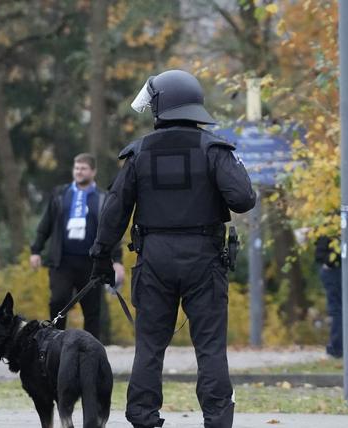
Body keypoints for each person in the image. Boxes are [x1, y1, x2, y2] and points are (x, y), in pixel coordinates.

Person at [89, 69, 256, 428]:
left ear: (162, 106)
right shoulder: (213, 149)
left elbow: (115, 209)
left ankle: (143, 416)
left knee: (150, 345)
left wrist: (101, 255)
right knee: (210, 347)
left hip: (154, 259)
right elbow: (243, 199)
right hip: (204, 259)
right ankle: (217, 419)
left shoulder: (139, 153)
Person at [29, 153, 124, 342]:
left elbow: (111, 231)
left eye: (83, 168)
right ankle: (54, 344)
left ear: (93, 171)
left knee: (92, 309)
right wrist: (36, 250)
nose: (79, 172)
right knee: (58, 301)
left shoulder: (102, 198)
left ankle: (91, 348)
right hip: (62, 261)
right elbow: (45, 224)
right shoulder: (60, 194)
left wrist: (117, 261)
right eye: (76, 168)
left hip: (91, 263)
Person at [315, 235, 342, 359]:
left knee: (337, 310)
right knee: (339, 310)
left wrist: (328, 263)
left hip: (333, 269)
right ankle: (337, 347)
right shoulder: (332, 229)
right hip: (334, 269)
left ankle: (336, 348)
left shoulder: (332, 229)